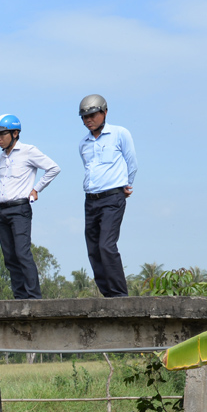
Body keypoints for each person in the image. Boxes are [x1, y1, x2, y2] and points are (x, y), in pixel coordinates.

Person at [0, 114, 59, 300]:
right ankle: (19, 298)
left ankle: (34, 298)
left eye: (2, 134)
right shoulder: (1, 157)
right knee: (9, 257)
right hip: (2, 210)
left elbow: (53, 168)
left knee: (22, 253)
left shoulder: (28, 151)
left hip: (20, 209)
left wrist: (36, 189)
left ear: (15, 133)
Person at [77, 94, 137, 297]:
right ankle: (107, 295)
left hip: (113, 198)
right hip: (91, 199)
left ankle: (120, 295)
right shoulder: (83, 143)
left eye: (92, 115)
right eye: (84, 117)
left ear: (104, 112)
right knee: (93, 248)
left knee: (106, 245)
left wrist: (127, 186)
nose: (88, 120)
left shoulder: (120, 134)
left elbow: (132, 162)